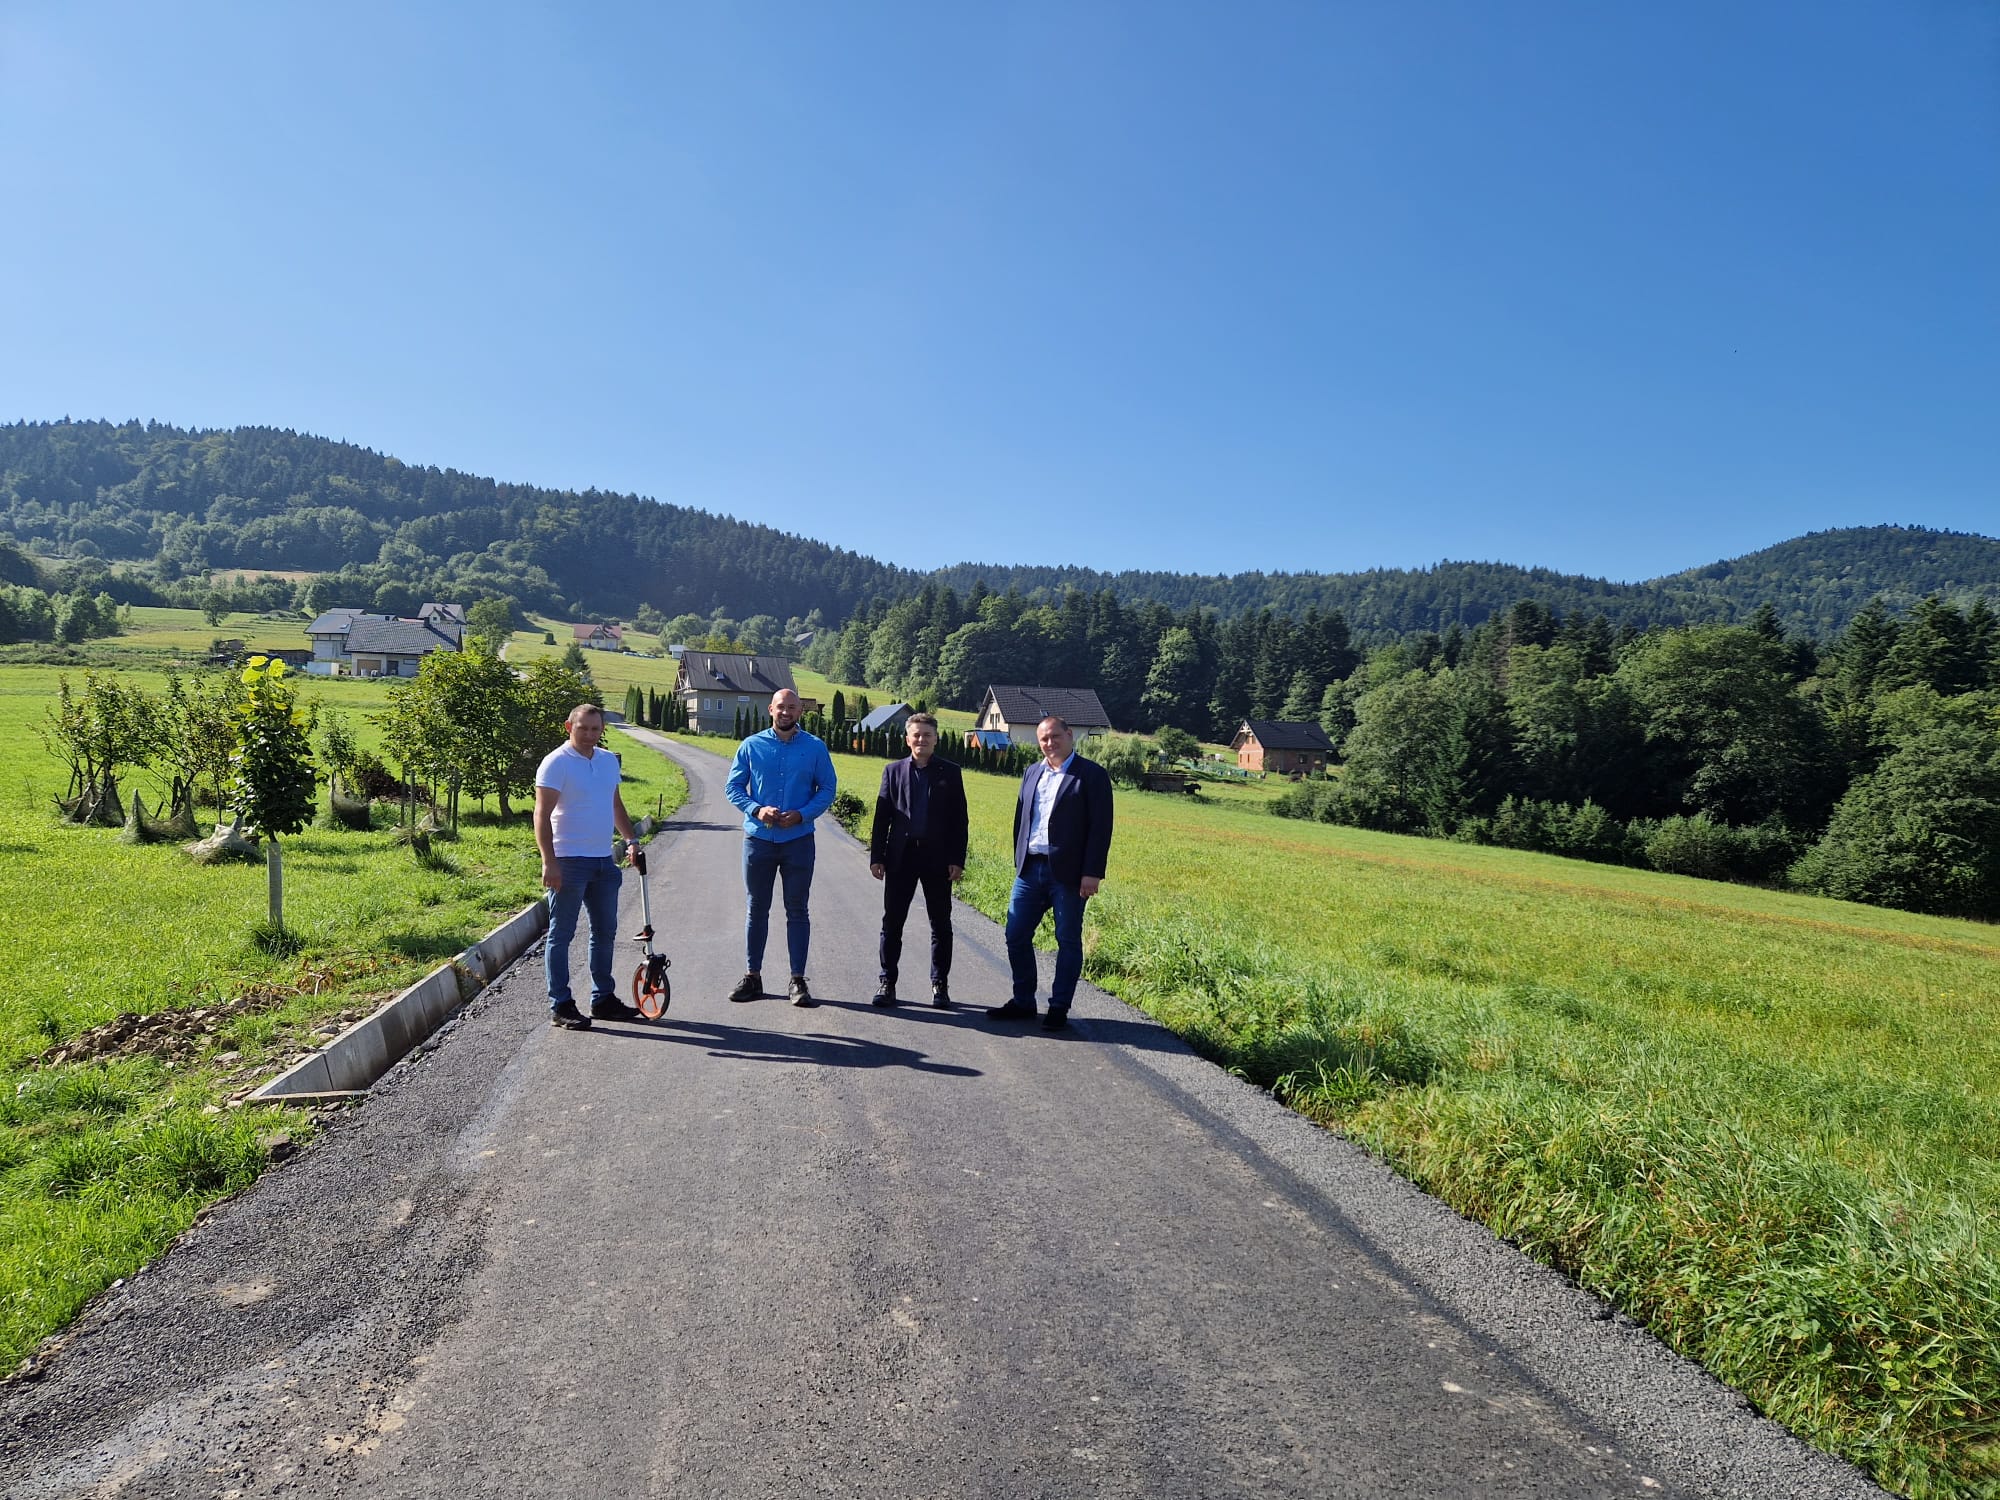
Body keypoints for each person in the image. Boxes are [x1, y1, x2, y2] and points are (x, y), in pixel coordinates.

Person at [988, 714, 1114, 1031]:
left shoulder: (1092, 775)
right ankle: (1023, 1001)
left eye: (1055, 736)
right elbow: (1022, 818)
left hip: (1070, 874)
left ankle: (1059, 1006)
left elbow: (1100, 828)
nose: (1049, 743)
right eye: (1043, 739)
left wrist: (1092, 872)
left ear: (1070, 735)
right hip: (1030, 868)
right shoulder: (1032, 772)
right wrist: (1019, 859)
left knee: (1067, 939)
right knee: (1015, 935)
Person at [725, 688, 837, 1006]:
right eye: (780, 707)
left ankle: (797, 980)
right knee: (756, 908)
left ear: (801, 711)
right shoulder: (751, 746)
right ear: (770, 710)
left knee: (797, 910)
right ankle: (752, 977)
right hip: (759, 840)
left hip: (798, 841)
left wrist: (803, 814)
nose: (785, 712)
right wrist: (757, 809)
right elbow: (733, 786)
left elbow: (827, 787)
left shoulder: (815, 748)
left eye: (792, 707)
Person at [535, 702, 639, 1030]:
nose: (590, 735)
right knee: (562, 934)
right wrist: (549, 862)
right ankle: (561, 1004)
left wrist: (632, 840)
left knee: (605, 931)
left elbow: (615, 803)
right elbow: (541, 814)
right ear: (569, 727)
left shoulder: (608, 761)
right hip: (567, 861)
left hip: (603, 861)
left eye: (596, 729)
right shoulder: (555, 763)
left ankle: (603, 999)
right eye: (583, 728)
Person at [868, 713, 969, 1009]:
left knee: (940, 924)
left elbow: (959, 821)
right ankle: (887, 982)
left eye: (927, 735)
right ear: (907, 739)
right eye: (916, 735)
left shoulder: (950, 772)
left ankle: (940, 985)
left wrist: (957, 859)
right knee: (893, 922)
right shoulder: (893, 771)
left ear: (936, 738)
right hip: (901, 857)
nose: (921, 739)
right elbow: (882, 817)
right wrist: (877, 857)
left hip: (938, 859)